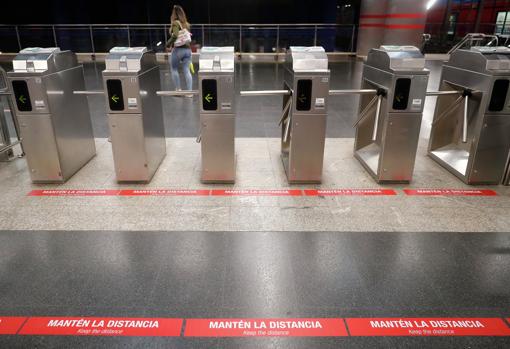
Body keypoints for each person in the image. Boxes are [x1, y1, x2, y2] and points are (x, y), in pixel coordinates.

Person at [166, 5, 192, 95]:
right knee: (186, 70)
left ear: (173, 14)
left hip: (178, 50)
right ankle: (189, 92)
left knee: (174, 69)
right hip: (188, 50)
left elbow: (175, 35)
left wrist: (168, 44)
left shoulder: (175, 23)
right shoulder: (187, 24)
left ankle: (178, 90)